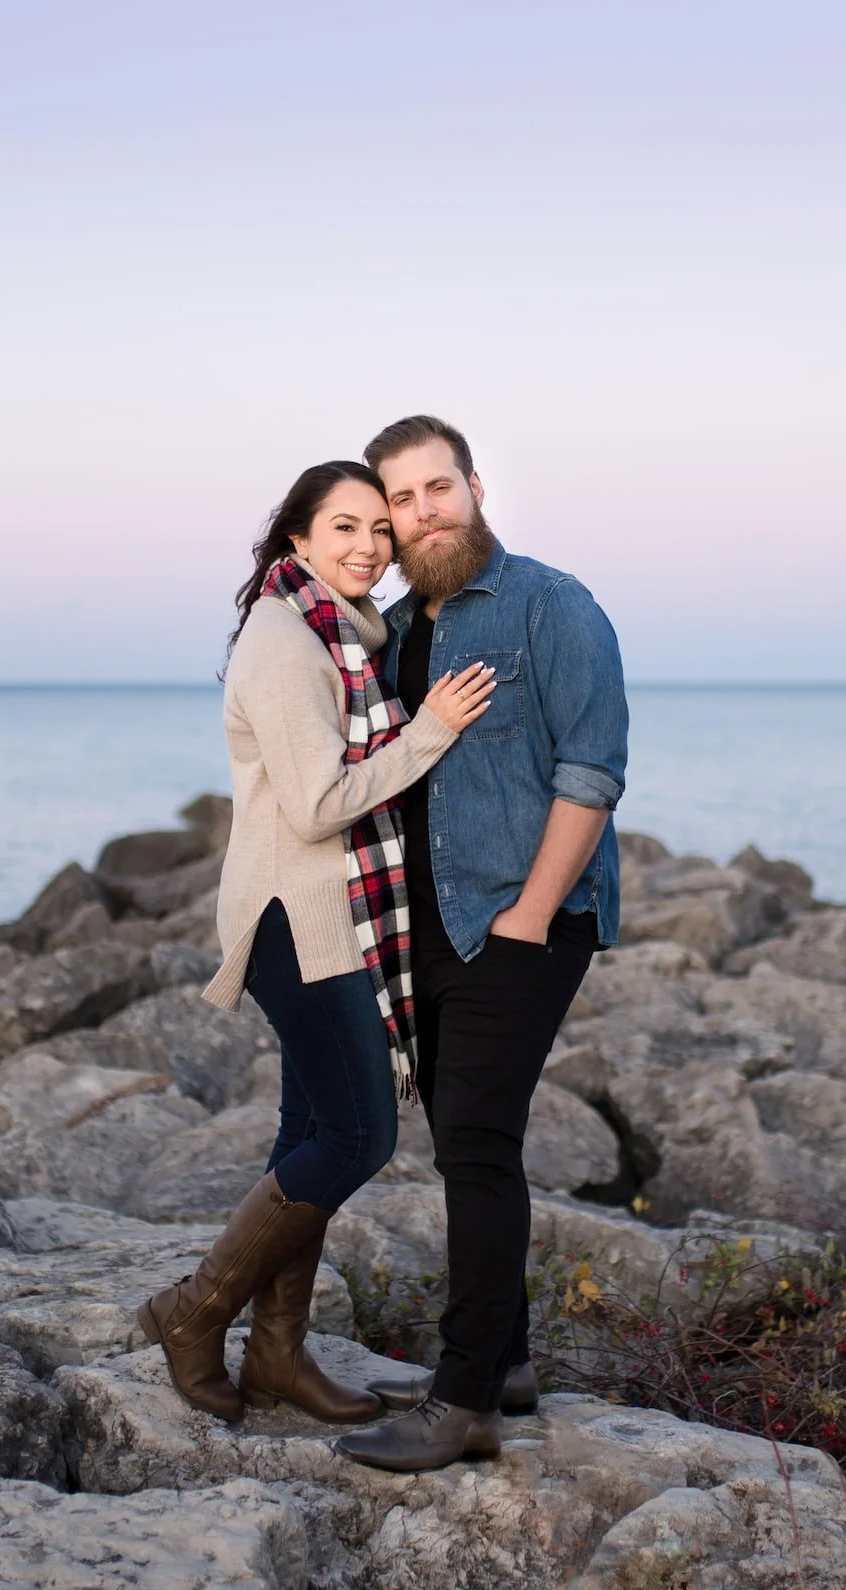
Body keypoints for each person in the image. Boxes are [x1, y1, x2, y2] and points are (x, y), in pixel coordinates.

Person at [138, 460, 497, 1425]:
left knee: (307, 1131)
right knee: (358, 1133)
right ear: (297, 538)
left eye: (381, 531)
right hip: (298, 920)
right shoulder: (287, 641)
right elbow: (314, 804)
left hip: (328, 911)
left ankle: (279, 1355)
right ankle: (195, 1309)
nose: (370, 547)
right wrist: (428, 733)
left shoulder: (342, 631)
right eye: (345, 528)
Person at [335, 416, 629, 1473]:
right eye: (400, 500)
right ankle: (501, 1361)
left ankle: (462, 1403)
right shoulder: (397, 627)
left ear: (474, 486)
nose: (423, 512)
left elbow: (591, 769)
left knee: (474, 1140)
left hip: (527, 915)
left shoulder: (552, 605)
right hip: (434, 924)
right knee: (467, 1136)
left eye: (437, 488)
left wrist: (529, 916)